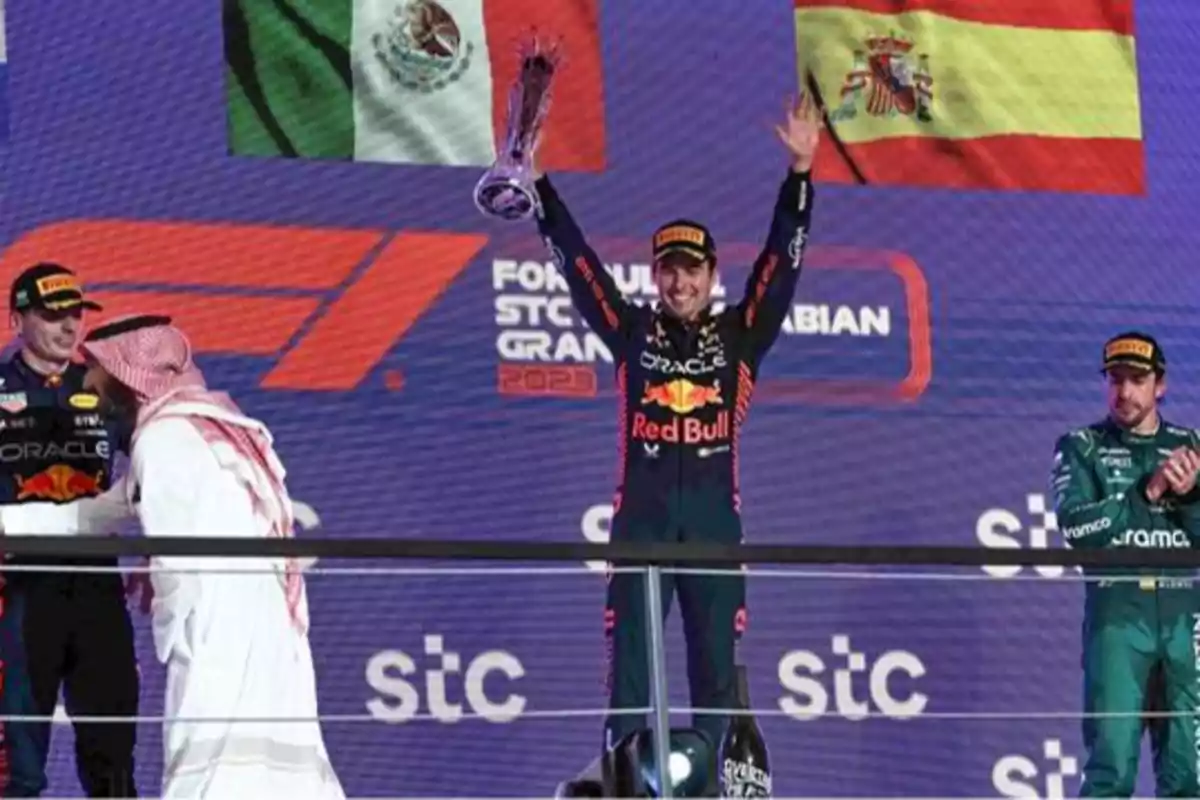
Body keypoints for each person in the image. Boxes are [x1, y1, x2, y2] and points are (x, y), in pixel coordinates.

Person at [532, 96, 821, 751]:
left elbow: (783, 268)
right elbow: (580, 270)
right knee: (630, 684)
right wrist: (541, 188)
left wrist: (800, 177)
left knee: (716, 680)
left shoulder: (741, 335)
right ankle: (622, 789)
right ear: (655, 275)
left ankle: (712, 788)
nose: (679, 282)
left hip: (716, 532)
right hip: (640, 529)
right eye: (668, 269)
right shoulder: (632, 331)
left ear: (713, 275)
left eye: (692, 269)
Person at [0, 314, 344, 799]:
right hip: (261, 626)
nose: (93, 405)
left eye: (99, 389)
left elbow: (177, 550)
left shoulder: (161, 441)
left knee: (214, 759)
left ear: (129, 384)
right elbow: (97, 514)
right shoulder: (197, 427)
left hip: (219, 629)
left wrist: (156, 572)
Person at [0, 263, 139, 797]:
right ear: (17, 320)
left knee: (112, 756)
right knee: (18, 762)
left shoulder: (103, 385)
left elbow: (158, 467)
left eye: (75, 313)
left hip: (96, 588)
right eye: (51, 314)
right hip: (19, 592)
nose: (67, 326)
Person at [1051, 331, 1200, 797]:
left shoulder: (1191, 445)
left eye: (1137, 380)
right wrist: (1147, 493)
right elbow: (1076, 529)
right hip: (1117, 623)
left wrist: (1192, 495)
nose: (1125, 392)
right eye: (1115, 379)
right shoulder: (1082, 447)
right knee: (1110, 771)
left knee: (1188, 775)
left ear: (1161, 385)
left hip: (1185, 622)